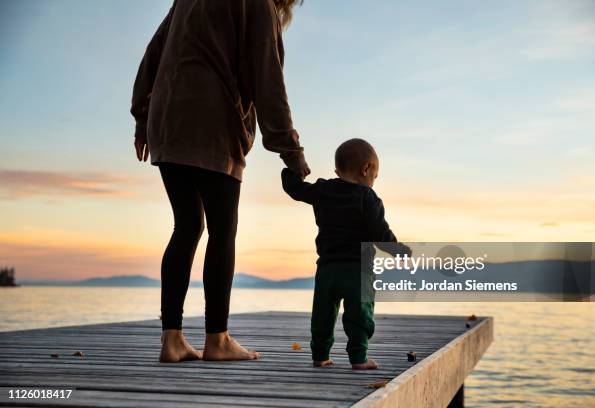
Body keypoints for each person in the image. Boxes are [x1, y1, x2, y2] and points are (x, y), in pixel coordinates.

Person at [130, 0, 310, 363]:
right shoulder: (259, 5)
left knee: (187, 225)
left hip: (167, 119)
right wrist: (291, 151)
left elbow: (154, 50)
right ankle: (218, 339)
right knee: (222, 229)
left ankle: (172, 338)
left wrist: (142, 116)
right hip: (212, 121)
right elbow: (268, 80)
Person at [281, 138, 410, 369]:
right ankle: (358, 358)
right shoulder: (367, 197)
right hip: (358, 270)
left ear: (337, 169)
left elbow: (295, 190)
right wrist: (398, 250)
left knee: (322, 314)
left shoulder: (323, 190)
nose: (373, 181)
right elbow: (380, 232)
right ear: (366, 169)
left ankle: (320, 356)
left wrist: (291, 171)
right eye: (375, 176)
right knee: (359, 315)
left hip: (327, 268)